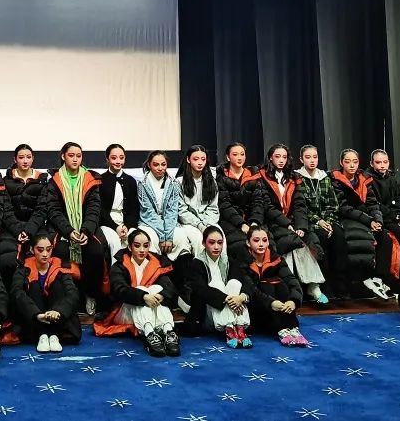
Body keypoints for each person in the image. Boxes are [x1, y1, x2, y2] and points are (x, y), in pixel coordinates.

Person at [254, 144, 327, 304]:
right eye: (277, 156)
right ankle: (291, 287)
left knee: (304, 240)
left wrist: (301, 226)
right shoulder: (261, 177)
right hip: (272, 222)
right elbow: (267, 206)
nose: (281, 160)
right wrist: (287, 224)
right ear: (270, 158)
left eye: (284, 157)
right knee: (289, 242)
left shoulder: (293, 177)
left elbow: (300, 204)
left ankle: (313, 285)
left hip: (293, 222)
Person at [40, 142, 106, 315]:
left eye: (78, 156)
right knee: (60, 253)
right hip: (62, 230)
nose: (75, 159)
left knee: (96, 252)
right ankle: (67, 299)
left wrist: (85, 231)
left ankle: (91, 295)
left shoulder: (90, 179)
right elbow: (53, 210)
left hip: (86, 228)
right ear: (63, 156)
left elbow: (94, 208)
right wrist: (69, 231)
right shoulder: (54, 180)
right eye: (71, 155)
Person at [93, 228, 180, 357]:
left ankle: (169, 332)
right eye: (137, 245)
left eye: (146, 246)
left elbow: (169, 288)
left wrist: (160, 296)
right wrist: (143, 297)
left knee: (156, 289)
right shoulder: (119, 265)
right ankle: (150, 335)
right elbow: (119, 290)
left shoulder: (156, 263)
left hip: (152, 309)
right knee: (143, 290)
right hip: (124, 310)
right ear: (129, 247)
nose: (142, 250)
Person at [182, 225, 252, 348]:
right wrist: (226, 299)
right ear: (203, 243)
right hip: (208, 314)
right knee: (217, 284)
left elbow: (246, 281)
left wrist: (241, 297)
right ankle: (229, 329)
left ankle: (239, 327)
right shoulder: (196, 263)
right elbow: (201, 290)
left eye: (219, 243)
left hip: (233, 311)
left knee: (234, 283)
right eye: (212, 242)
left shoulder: (229, 261)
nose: (216, 247)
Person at [238, 226, 310, 347]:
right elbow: (250, 289)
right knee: (266, 285)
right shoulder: (242, 259)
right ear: (248, 243)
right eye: (256, 240)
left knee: (281, 284)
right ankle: (281, 328)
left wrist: (294, 301)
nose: (261, 244)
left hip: (277, 306)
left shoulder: (275, 258)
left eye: (264, 240)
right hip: (255, 308)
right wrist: (271, 302)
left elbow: (292, 280)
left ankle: (291, 327)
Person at [9, 234, 82, 353]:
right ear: (32, 250)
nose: (45, 254)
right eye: (40, 250)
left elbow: (73, 293)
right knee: (34, 286)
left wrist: (59, 311)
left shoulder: (60, 267)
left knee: (58, 286)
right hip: (34, 318)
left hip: (57, 317)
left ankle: (54, 335)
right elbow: (17, 293)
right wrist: (36, 314)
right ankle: (42, 335)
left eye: (48, 250)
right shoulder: (23, 268)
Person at [330, 149, 387, 299]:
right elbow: (342, 208)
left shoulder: (364, 179)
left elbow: (373, 204)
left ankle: (378, 278)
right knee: (353, 239)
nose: (352, 165)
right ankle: (348, 285)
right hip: (345, 218)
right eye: (348, 162)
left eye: (355, 162)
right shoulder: (335, 180)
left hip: (365, 218)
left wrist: (377, 220)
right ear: (341, 163)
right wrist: (369, 220)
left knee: (385, 235)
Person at [295, 145, 344, 299]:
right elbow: (300, 207)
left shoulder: (324, 177)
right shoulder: (297, 179)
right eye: (308, 157)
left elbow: (333, 204)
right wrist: (319, 221)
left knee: (339, 236)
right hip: (309, 221)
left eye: (315, 157)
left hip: (327, 220)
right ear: (301, 159)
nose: (312, 160)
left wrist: (327, 221)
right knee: (321, 239)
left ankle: (340, 285)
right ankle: (324, 285)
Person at [138, 151, 200, 261]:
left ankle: (182, 270)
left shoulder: (173, 183)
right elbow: (148, 212)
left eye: (163, 164)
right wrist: (163, 236)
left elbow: (172, 211)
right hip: (148, 223)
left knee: (181, 239)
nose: (160, 168)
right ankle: (156, 270)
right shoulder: (142, 183)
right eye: (156, 165)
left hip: (170, 223)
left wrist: (169, 236)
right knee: (149, 240)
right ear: (149, 165)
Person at [1, 145, 49, 283]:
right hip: (11, 228)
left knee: (39, 257)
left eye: (28, 157)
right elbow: (5, 210)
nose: (25, 161)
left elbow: (41, 210)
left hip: (35, 227)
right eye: (21, 157)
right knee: (6, 260)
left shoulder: (42, 180)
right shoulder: (5, 181)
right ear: (15, 159)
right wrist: (18, 231)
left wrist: (28, 231)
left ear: (33, 158)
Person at [365, 149, 400, 288]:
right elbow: (375, 204)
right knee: (395, 231)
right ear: (371, 163)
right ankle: (392, 275)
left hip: (394, 215)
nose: (382, 165)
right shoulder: (368, 179)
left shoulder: (392, 178)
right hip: (381, 217)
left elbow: (399, 199)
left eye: (385, 162)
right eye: (378, 162)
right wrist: (395, 216)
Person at [216, 142, 266, 256]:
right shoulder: (221, 177)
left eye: (242, 154)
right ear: (228, 157)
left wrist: (255, 221)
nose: (239, 158)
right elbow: (224, 204)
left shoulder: (254, 175)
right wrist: (241, 224)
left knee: (267, 242)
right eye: (235, 154)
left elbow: (258, 201)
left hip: (252, 219)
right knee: (239, 245)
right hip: (231, 221)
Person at [97, 144, 140, 260]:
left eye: (121, 158)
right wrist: (115, 227)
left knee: (136, 239)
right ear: (107, 159)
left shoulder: (131, 181)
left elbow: (134, 209)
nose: (118, 161)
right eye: (114, 158)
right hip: (107, 223)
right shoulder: (100, 180)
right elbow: (101, 210)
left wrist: (127, 226)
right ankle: (116, 271)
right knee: (114, 242)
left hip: (126, 222)